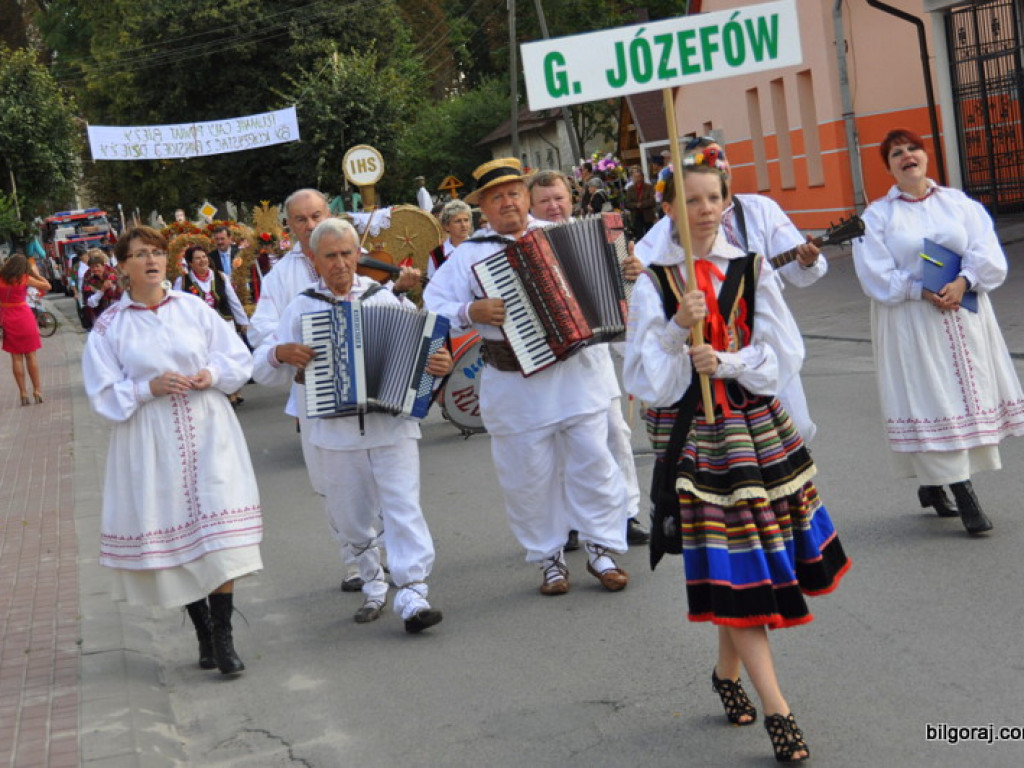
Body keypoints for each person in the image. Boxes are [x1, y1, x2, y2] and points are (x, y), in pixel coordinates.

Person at [624, 161, 849, 763]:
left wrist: (726, 362)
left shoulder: (749, 269)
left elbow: (784, 352)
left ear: (726, 203)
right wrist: (676, 328)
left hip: (755, 432)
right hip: (696, 441)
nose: (702, 209)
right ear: (667, 207)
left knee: (741, 564)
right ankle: (779, 709)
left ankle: (727, 675)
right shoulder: (654, 281)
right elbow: (646, 379)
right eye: (689, 199)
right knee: (744, 566)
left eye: (712, 198)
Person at [424, 158, 630, 596]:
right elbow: (433, 305)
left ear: (524, 195)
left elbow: (612, 280)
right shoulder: (469, 255)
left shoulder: (558, 234)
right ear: (482, 207)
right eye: (496, 197)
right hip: (515, 382)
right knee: (528, 476)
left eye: (513, 193)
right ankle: (550, 559)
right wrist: (469, 311)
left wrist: (625, 272)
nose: (508, 203)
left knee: (594, 465)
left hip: (577, 375)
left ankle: (601, 549)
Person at [253, 218, 450, 633]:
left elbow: (424, 360)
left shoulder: (387, 300)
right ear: (314, 259)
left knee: (403, 508)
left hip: (390, 427)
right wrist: (279, 355)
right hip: (333, 433)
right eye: (331, 256)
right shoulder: (302, 306)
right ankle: (373, 584)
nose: (341, 263)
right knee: (351, 515)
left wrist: (438, 365)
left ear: (357, 255)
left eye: (347, 254)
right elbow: (264, 371)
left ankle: (413, 593)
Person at [81, 226, 262, 675]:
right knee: (178, 535)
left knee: (219, 537)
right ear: (123, 266)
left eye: (157, 253)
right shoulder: (110, 326)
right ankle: (202, 632)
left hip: (208, 430)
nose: (151, 260)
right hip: (152, 439)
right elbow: (102, 394)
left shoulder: (194, 309)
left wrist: (211, 373)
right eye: (140, 254)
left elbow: (238, 357)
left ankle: (223, 638)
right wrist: (147, 387)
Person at [852, 128, 1024, 535]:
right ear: (888, 166)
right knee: (932, 400)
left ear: (926, 156)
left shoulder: (958, 204)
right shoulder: (878, 216)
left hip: (964, 314)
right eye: (896, 153)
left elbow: (987, 253)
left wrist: (964, 280)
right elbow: (874, 273)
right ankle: (964, 495)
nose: (906, 156)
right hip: (913, 320)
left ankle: (933, 485)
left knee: (965, 399)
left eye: (913, 148)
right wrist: (918, 289)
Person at [637, 137, 825, 444]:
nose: (705, 207)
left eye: (716, 166)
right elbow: (644, 293)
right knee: (716, 444)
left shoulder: (760, 210)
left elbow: (798, 271)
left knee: (794, 429)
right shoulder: (664, 231)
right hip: (700, 351)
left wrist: (806, 261)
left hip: (758, 338)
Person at [527, 169, 649, 547]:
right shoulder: (521, 243)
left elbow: (625, 296)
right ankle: (569, 522)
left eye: (559, 198)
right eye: (545, 200)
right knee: (562, 447)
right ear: (531, 204)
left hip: (595, 356)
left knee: (616, 434)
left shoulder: (599, 233)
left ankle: (626, 513)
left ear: (572, 197)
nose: (553, 206)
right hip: (549, 361)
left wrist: (634, 274)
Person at [175, 244, 251, 407]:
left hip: (224, 322)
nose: (202, 261)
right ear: (190, 263)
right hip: (199, 328)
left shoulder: (220, 276)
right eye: (197, 258)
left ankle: (234, 391)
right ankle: (224, 391)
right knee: (210, 358)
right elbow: (177, 307)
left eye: (204, 257)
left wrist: (243, 321)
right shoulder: (182, 282)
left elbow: (233, 300)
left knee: (229, 356)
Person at [0, 254, 51, 405]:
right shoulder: (24, 278)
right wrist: (35, 274)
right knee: (31, 356)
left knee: (16, 358)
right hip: (24, 316)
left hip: (7, 317)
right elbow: (47, 286)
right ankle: (37, 390)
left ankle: (23, 393)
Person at [427, 200, 474, 282]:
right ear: (446, 226)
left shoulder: (480, 247)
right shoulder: (437, 255)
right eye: (458, 221)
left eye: (466, 220)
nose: (463, 225)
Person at [81, 250, 122, 326]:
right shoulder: (89, 279)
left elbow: (122, 292)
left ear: (103, 266)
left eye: (97, 266)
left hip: (118, 312)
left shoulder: (113, 274)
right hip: (100, 314)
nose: (95, 269)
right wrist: (102, 290)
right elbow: (90, 302)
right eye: (92, 267)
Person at [623, 165, 656, 240]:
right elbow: (627, 203)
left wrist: (642, 204)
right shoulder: (630, 189)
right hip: (636, 216)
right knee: (639, 236)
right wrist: (636, 205)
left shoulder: (649, 187)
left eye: (639, 177)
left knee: (650, 235)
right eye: (635, 177)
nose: (638, 179)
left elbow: (652, 201)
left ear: (643, 177)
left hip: (648, 215)